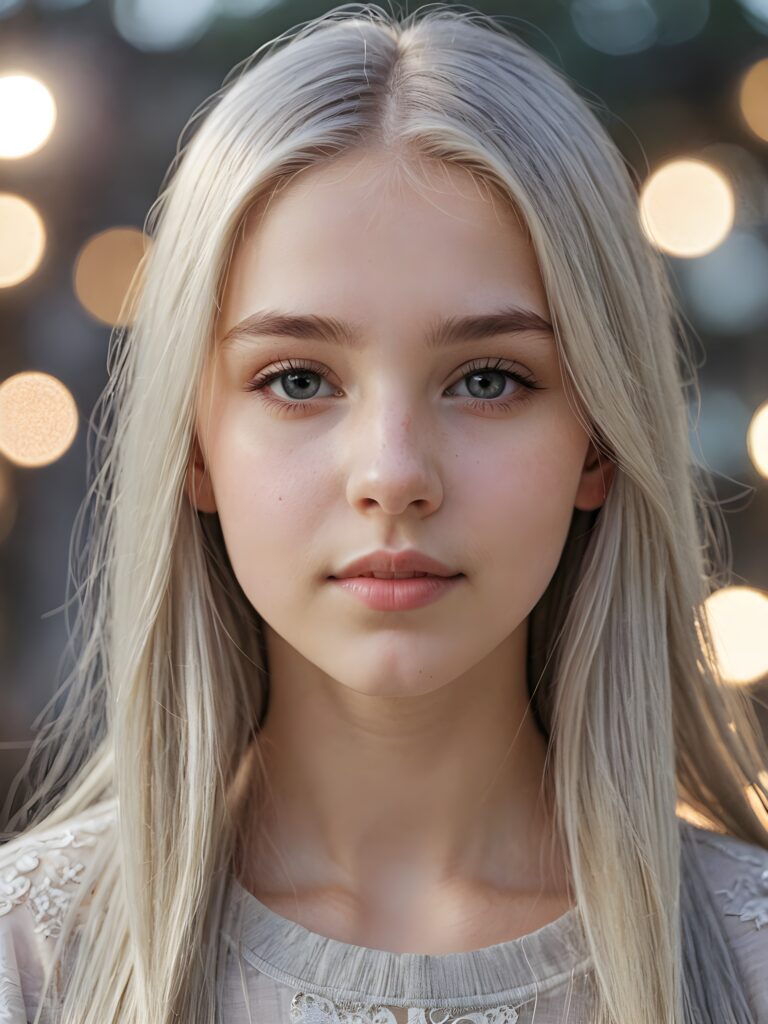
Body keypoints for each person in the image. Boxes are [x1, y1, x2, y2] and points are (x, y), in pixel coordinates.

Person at [1, 4, 766, 1022]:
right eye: (299, 380)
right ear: (195, 447)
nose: (394, 474)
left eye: (488, 379)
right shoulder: (30, 962)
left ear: (598, 440)